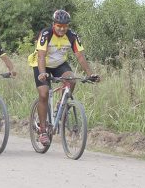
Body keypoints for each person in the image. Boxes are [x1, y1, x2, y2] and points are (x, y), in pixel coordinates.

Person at [28, 10, 99, 146]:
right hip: (42, 64)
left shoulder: (72, 36)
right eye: (59, 26)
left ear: (68, 26)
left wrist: (90, 74)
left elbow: (80, 56)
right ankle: (43, 131)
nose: (62, 29)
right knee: (43, 94)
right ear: (53, 24)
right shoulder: (46, 34)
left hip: (59, 64)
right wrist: (42, 73)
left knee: (71, 79)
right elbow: (41, 55)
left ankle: (61, 103)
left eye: (65, 26)